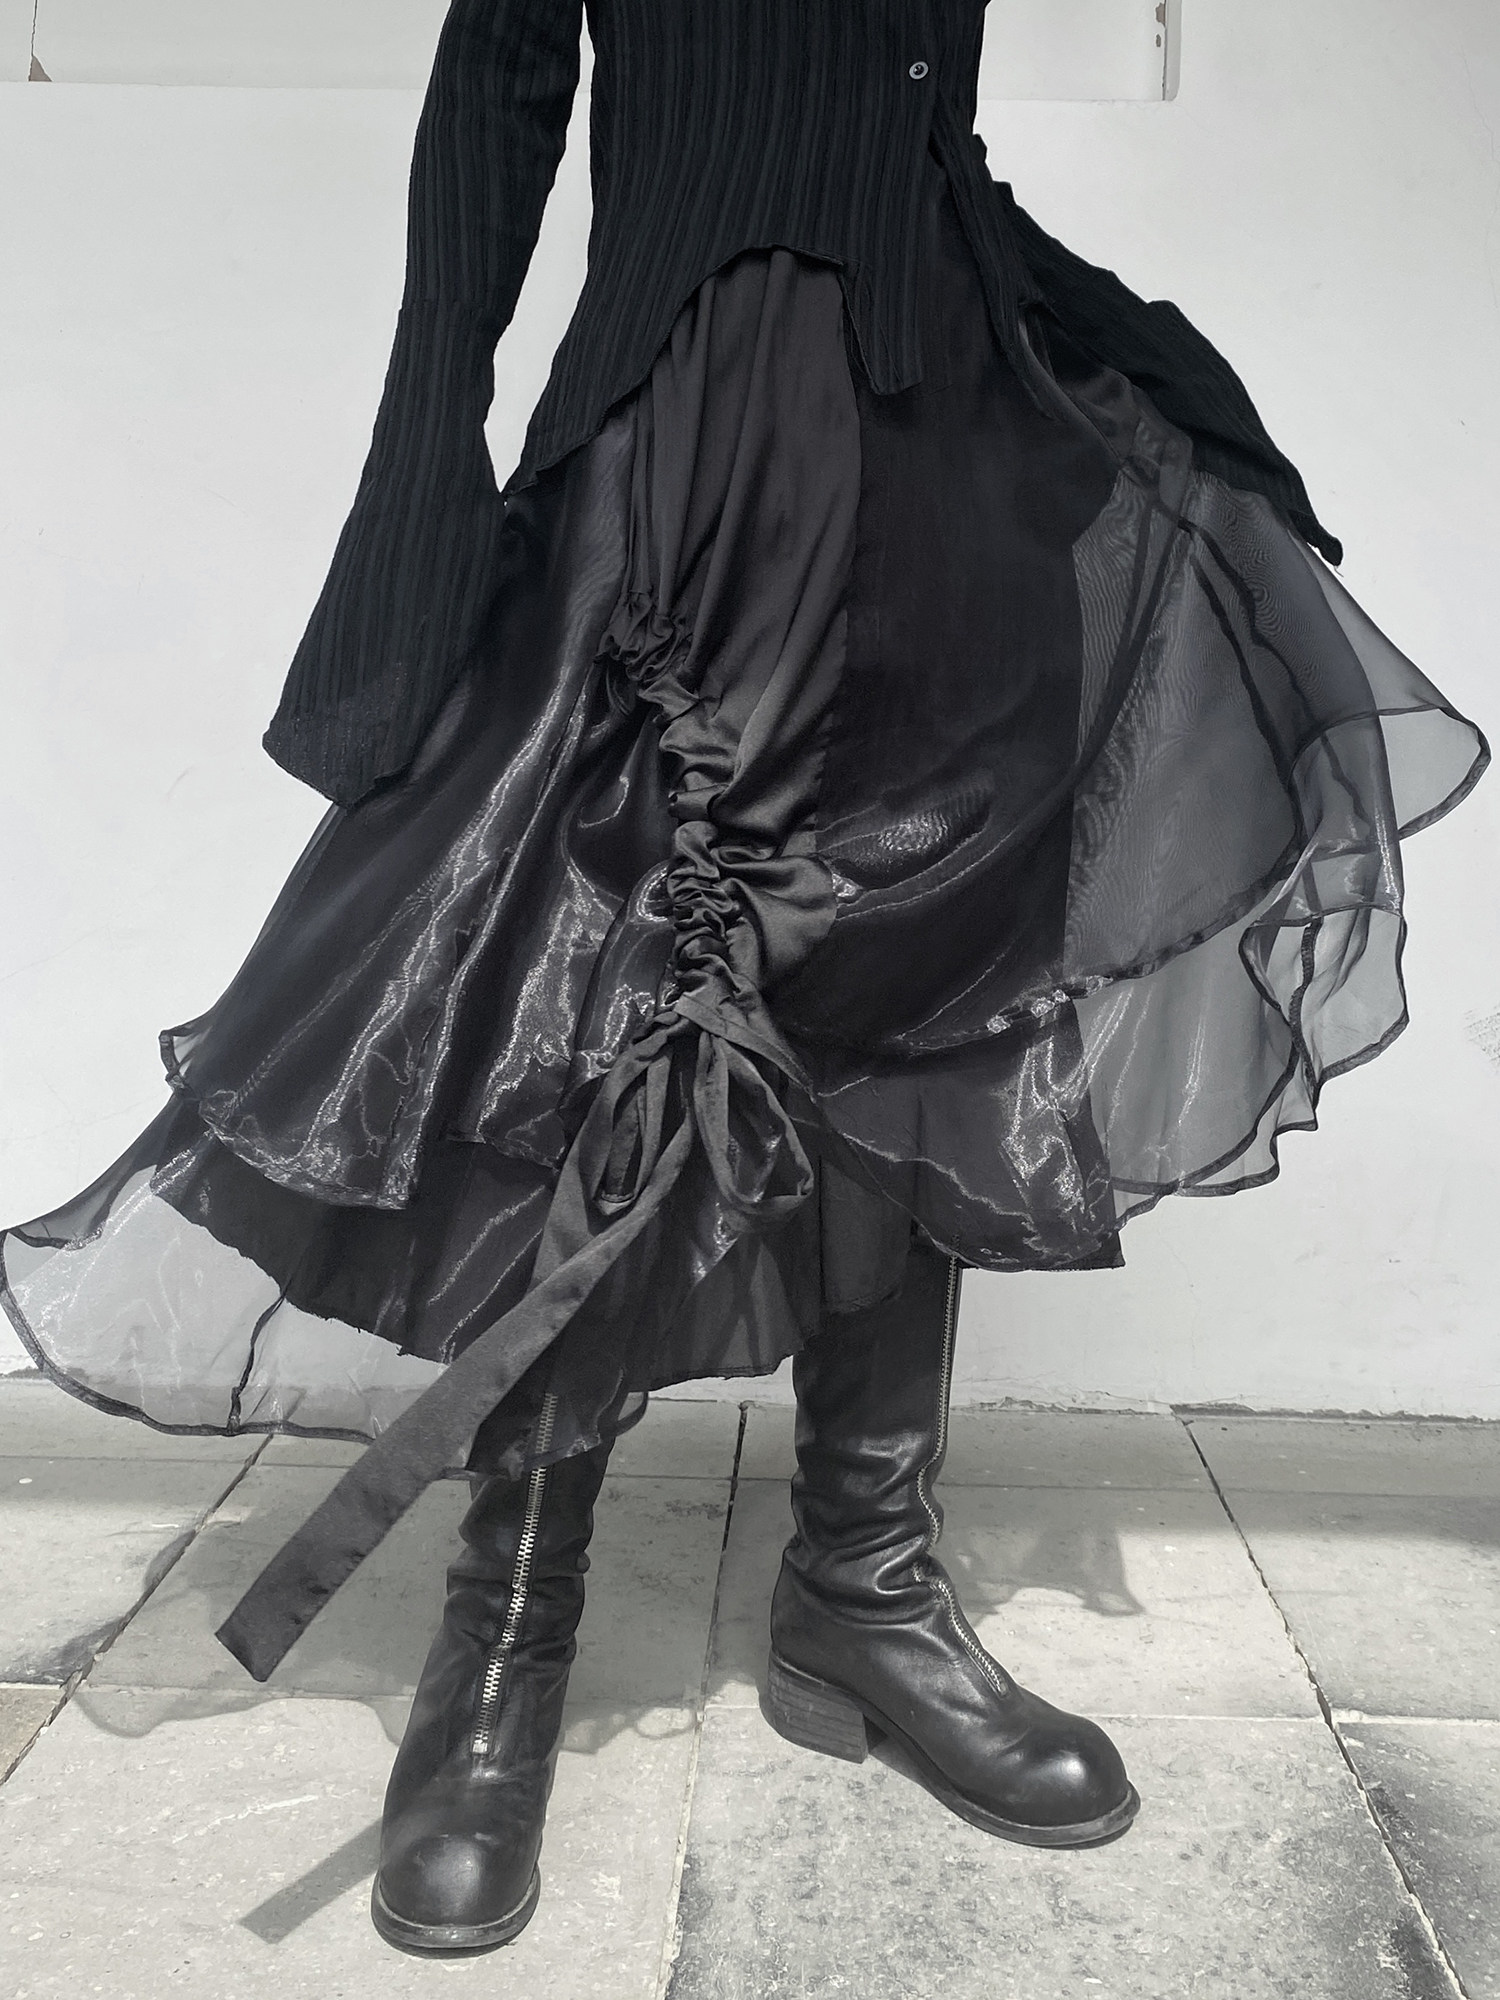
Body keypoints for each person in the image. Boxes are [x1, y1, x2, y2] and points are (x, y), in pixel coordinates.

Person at [1, 0, 1486, 1960]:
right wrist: (431, 449)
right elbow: (501, 81)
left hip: (952, 435)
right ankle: (504, 1640)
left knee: (937, 989)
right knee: (603, 994)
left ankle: (863, 1587)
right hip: (692, 428)